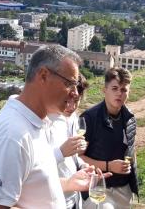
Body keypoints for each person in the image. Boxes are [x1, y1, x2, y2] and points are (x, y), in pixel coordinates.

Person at [0, 45, 104, 209]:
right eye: (70, 83)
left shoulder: (37, 123)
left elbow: (32, 187)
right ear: (43, 75)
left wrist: (69, 183)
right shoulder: (12, 135)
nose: (75, 93)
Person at [80, 67, 139, 209]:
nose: (119, 93)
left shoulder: (130, 117)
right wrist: (108, 166)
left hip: (124, 189)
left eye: (124, 90)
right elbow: (78, 157)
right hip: (98, 187)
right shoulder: (89, 118)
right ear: (104, 90)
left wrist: (134, 185)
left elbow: (131, 151)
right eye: (114, 88)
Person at [48, 73, 89, 209]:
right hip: (53, 200)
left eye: (76, 101)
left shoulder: (73, 118)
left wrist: (82, 165)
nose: (71, 107)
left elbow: (72, 157)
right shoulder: (45, 121)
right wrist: (61, 152)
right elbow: (34, 167)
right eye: (68, 100)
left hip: (73, 198)